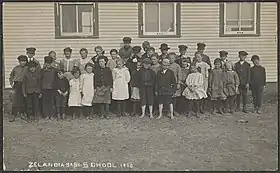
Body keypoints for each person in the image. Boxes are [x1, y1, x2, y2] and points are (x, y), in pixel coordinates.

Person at [9, 55, 28, 122]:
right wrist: (12, 82)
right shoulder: (16, 68)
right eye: (21, 61)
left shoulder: (27, 68)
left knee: (23, 100)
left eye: (24, 61)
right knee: (15, 100)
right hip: (16, 85)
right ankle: (13, 115)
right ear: (19, 62)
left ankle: (22, 114)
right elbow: (11, 76)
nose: (23, 62)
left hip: (24, 85)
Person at [41, 56, 57, 120]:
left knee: (52, 102)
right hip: (44, 88)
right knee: (45, 103)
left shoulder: (54, 70)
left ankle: (52, 115)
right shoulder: (42, 71)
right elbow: (40, 80)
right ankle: (46, 115)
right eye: (47, 63)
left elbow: (56, 79)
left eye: (50, 63)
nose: (48, 65)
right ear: (45, 63)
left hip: (52, 88)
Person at [168, 52, 182, 116]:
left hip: (175, 83)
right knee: (168, 97)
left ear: (175, 59)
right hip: (168, 83)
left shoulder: (177, 66)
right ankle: (169, 110)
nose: (171, 59)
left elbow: (179, 75)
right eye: (170, 58)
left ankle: (174, 110)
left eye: (172, 58)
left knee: (175, 97)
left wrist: (178, 83)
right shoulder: (166, 65)